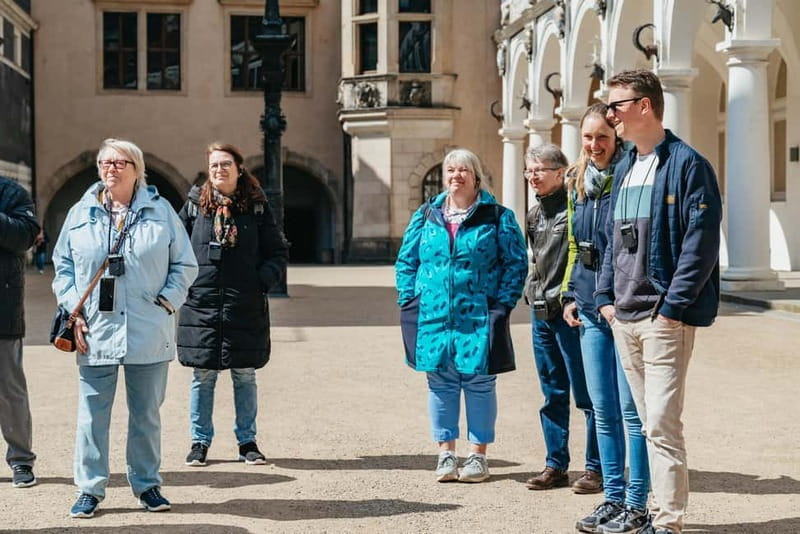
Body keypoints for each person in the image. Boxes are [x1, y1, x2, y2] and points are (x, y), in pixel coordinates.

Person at [596, 69, 722, 534]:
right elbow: (612, 238)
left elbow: (702, 242)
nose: (611, 116)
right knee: (646, 423)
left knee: (661, 424)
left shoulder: (688, 165)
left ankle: (668, 523)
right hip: (623, 315)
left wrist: (672, 307)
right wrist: (605, 297)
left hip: (662, 318)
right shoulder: (627, 166)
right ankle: (650, 512)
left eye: (617, 106)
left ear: (644, 106)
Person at [52, 138, 198, 519]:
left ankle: (147, 485)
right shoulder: (81, 212)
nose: (110, 168)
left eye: (119, 162)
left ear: (137, 168)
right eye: (105, 162)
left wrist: (167, 301)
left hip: (147, 327)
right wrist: (72, 308)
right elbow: (62, 267)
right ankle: (90, 489)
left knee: (146, 414)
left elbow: (185, 264)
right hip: (94, 330)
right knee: (91, 415)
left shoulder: (161, 211)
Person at [395, 148, 527, 483]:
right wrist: (409, 299)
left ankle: (478, 456)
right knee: (440, 383)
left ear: (476, 176)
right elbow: (406, 261)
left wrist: (502, 304)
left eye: (463, 170)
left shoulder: (497, 215)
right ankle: (446, 454)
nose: (456, 176)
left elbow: (515, 263)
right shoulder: (427, 214)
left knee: (480, 383)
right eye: (450, 170)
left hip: (479, 314)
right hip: (433, 315)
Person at [561, 104, 651, 533]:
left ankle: (636, 501)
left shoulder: (630, 174)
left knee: (631, 409)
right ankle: (612, 498)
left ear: (616, 139)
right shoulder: (577, 180)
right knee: (602, 407)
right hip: (589, 301)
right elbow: (576, 244)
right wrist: (568, 292)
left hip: (624, 301)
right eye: (588, 138)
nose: (595, 146)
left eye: (602, 138)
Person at [177, 142, 288, 467]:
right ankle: (199, 442)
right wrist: (184, 285)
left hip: (244, 303)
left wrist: (261, 281)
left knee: (244, 374)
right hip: (202, 303)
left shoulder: (255, 206)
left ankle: (247, 441)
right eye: (214, 165)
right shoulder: (196, 205)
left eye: (226, 164)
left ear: (239, 169)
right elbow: (174, 247)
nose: (219, 170)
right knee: (203, 376)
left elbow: (277, 251)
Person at [522, 143, 602, 494]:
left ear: (560, 172)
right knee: (552, 392)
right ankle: (556, 465)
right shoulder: (534, 214)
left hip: (570, 313)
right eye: (529, 170)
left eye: (539, 169)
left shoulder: (576, 209)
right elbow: (535, 260)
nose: (533, 176)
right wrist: (531, 290)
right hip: (541, 314)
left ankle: (596, 468)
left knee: (587, 395)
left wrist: (571, 295)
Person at [0, 176, 40, 489]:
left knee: (10, 390)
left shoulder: (11, 192)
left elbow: (25, 236)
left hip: (2, 309)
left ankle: (21, 459)